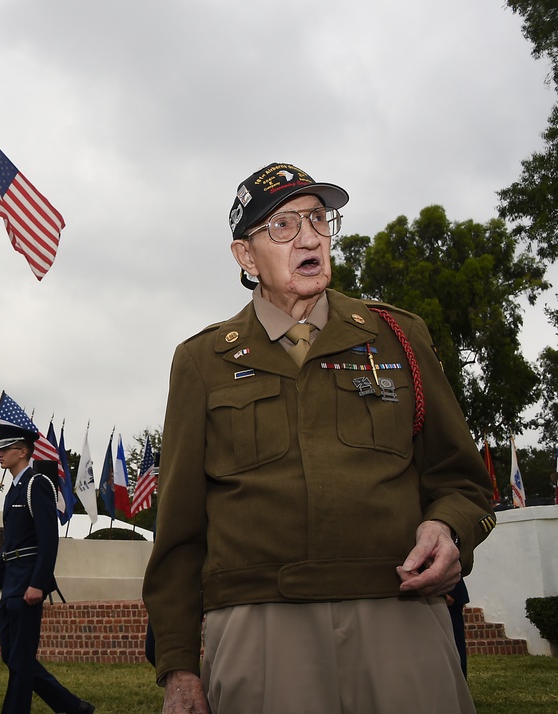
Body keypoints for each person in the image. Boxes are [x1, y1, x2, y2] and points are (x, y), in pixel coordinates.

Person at [143, 162, 497, 714]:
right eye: (283, 225)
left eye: (317, 219)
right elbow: (179, 534)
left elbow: (463, 480)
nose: (309, 237)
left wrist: (448, 527)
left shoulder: (397, 336)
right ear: (245, 255)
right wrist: (179, 667)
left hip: (398, 612)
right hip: (259, 627)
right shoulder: (202, 361)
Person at [0, 425, 94, 714]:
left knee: (21, 659)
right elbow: (12, 543)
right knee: (13, 657)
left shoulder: (36, 483)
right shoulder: (14, 489)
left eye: (5, 448)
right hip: (12, 580)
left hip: (28, 580)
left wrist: (38, 582)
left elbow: (48, 539)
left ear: (23, 451)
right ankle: (73, 707)